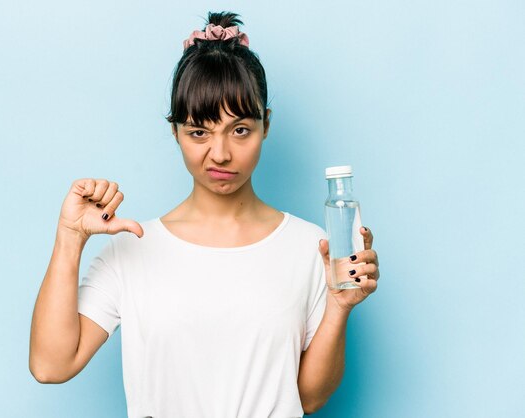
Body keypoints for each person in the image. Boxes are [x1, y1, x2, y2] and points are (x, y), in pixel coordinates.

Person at [29, 11, 380, 417]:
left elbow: (308, 398)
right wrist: (70, 239)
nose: (220, 154)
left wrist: (339, 307)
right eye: (199, 132)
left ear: (266, 124)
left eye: (240, 129)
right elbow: (50, 365)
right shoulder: (133, 249)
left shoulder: (311, 247)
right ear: (175, 130)